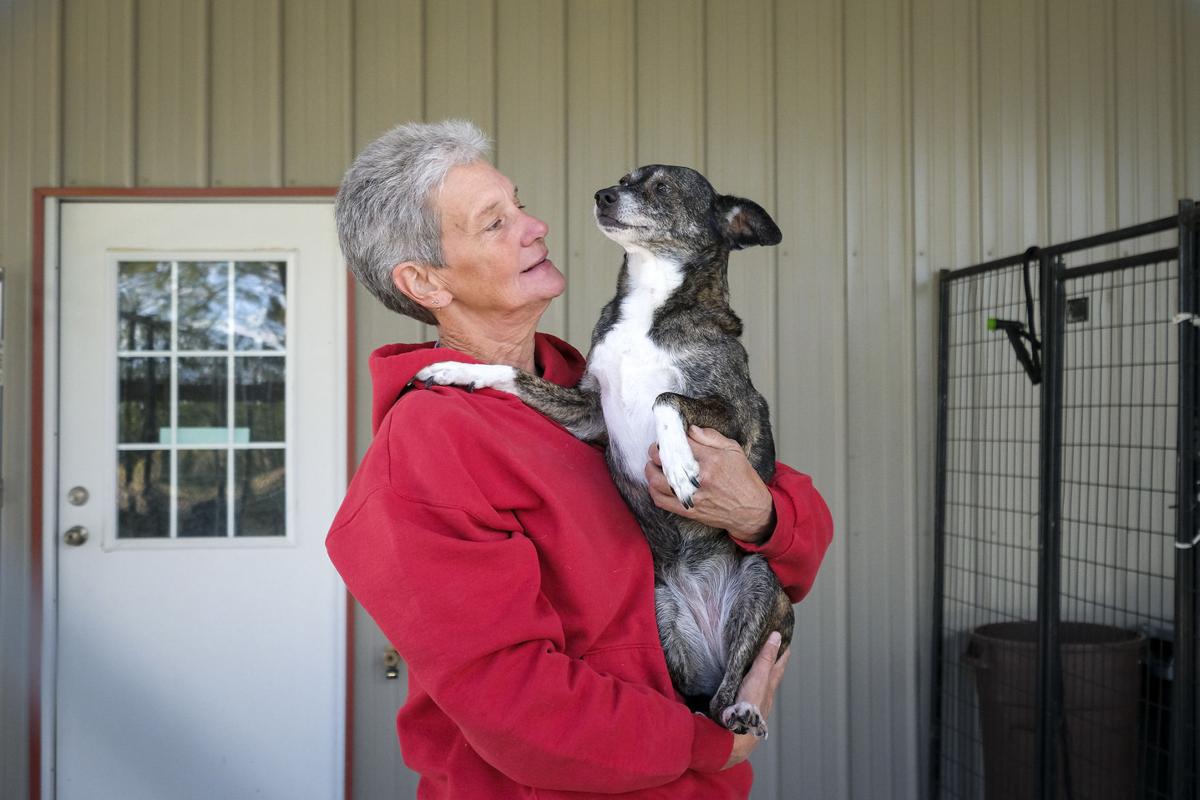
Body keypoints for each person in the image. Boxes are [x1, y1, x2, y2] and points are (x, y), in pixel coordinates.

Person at [326, 119, 833, 799]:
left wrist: (760, 515)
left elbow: (803, 534)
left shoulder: (587, 384)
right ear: (425, 283)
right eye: (495, 223)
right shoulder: (425, 450)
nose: (534, 227)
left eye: (520, 204)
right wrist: (709, 744)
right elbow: (515, 704)